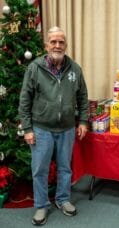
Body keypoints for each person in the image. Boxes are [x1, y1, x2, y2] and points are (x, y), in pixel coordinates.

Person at [18, 26, 89, 226]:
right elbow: (24, 101)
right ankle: (41, 205)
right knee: (39, 169)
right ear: (47, 45)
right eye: (53, 42)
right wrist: (28, 129)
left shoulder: (74, 69)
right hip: (41, 129)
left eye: (61, 42)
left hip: (66, 128)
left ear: (65, 45)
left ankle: (63, 199)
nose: (57, 45)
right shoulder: (34, 68)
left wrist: (83, 121)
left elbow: (83, 97)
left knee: (65, 168)